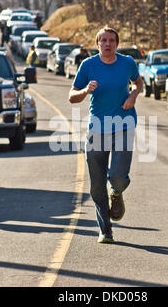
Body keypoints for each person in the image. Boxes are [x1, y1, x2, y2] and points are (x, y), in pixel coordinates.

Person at [69, 27, 143, 243]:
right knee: (97, 184)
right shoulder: (88, 65)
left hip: (123, 125)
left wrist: (133, 95)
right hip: (96, 129)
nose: (107, 44)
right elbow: (72, 96)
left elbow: (139, 83)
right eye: (103, 40)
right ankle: (105, 230)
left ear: (116, 44)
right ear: (97, 43)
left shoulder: (127, 63)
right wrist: (85, 91)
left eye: (111, 40)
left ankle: (117, 193)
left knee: (118, 178)